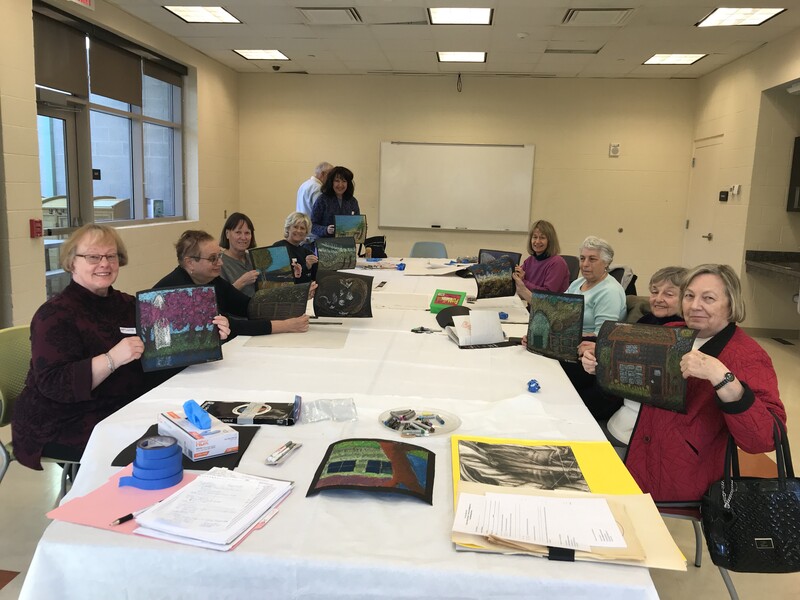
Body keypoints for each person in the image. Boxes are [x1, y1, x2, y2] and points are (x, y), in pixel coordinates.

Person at [10, 224, 230, 470]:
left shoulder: (128, 305)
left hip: (122, 405)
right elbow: (55, 384)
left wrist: (206, 336)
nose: (104, 263)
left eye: (111, 256)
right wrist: (112, 358)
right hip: (62, 420)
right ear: (72, 262)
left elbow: (160, 358)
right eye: (93, 256)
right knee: (163, 450)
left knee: (198, 435)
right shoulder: (54, 315)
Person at [600, 264, 784, 502]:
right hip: (636, 445)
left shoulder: (746, 356)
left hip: (678, 471)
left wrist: (722, 377)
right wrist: (604, 364)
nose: (695, 305)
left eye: (708, 298)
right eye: (689, 296)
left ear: (731, 304)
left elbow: (766, 438)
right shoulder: (672, 332)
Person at [580, 266, 687, 451]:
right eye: (654, 292)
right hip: (616, 401)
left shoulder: (680, 336)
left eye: (669, 294)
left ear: (687, 298)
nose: (658, 298)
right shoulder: (647, 320)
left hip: (628, 419)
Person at [153, 230, 309, 337]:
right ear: (190, 263)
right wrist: (286, 326)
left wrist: (296, 298)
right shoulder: (175, 291)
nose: (220, 262)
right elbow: (232, 326)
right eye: (213, 258)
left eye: (219, 256)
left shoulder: (213, 281)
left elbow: (250, 306)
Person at [513, 220, 570, 300]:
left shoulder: (557, 263)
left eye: (542, 238)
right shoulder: (529, 260)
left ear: (550, 241)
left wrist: (523, 282)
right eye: (535, 237)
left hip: (550, 309)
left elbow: (547, 294)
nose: (537, 241)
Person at [310, 166, 360, 240]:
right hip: (326, 245)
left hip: (347, 246)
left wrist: (361, 226)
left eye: (344, 181)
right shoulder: (322, 200)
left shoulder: (352, 201)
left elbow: (356, 222)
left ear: (348, 183)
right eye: (337, 181)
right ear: (331, 182)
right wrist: (326, 230)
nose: (340, 185)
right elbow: (312, 225)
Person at [219, 212, 260, 297]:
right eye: (238, 232)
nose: (243, 237)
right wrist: (242, 282)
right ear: (227, 234)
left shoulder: (254, 259)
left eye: (247, 233)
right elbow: (220, 299)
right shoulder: (219, 263)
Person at [271, 212, 319, 284]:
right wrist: (306, 267)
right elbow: (282, 279)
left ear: (306, 233)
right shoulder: (278, 248)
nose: (298, 231)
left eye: (302, 228)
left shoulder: (308, 253)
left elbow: (317, 278)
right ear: (288, 228)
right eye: (295, 227)